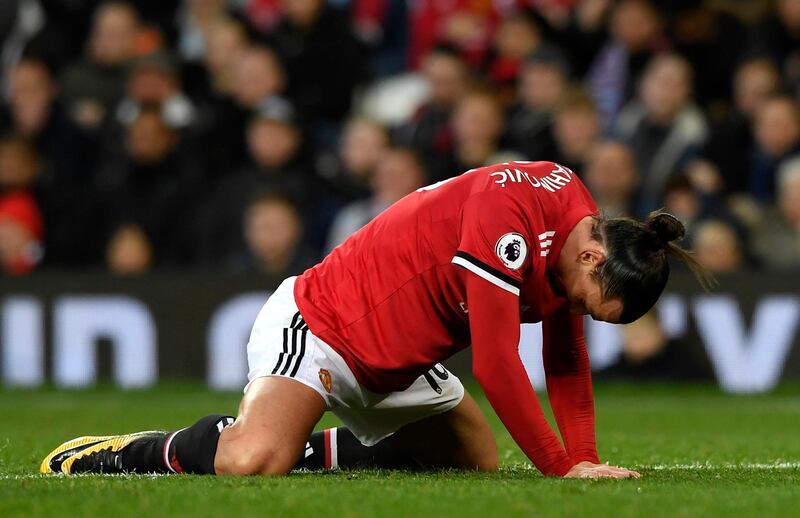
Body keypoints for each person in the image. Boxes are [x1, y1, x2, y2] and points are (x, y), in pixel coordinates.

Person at [40, 160, 710, 479]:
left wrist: (585, 458)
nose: (573, 314)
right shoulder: (510, 218)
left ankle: (313, 450)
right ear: (593, 256)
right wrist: (560, 470)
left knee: (475, 461)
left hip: (403, 361)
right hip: (325, 326)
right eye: (587, 302)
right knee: (252, 460)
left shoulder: (581, 228)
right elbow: (502, 364)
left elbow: (565, 357)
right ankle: (133, 454)